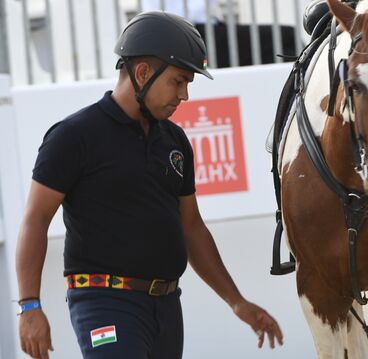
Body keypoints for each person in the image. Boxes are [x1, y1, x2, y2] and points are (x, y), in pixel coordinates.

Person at [15, 11, 283, 359]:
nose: (184, 95)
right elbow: (35, 219)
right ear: (142, 73)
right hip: (104, 303)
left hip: (167, 307)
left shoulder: (175, 141)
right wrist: (29, 305)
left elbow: (192, 229)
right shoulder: (73, 136)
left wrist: (237, 302)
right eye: (178, 81)